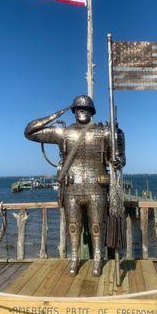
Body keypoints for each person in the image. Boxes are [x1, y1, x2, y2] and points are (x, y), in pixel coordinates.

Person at [24, 95, 125, 277]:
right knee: (73, 226)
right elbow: (29, 132)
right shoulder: (63, 133)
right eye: (78, 108)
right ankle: (74, 259)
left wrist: (118, 160)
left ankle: (97, 259)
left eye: (85, 109)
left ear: (91, 111)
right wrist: (56, 114)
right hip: (72, 188)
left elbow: (120, 158)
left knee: (96, 226)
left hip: (96, 187)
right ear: (73, 111)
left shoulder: (105, 132)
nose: (82, 111)